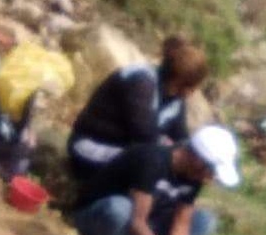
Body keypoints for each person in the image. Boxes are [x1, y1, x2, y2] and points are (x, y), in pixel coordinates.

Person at [66, 125, 240, 235]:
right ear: (197, 159)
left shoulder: (194, 177)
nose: (210, 178)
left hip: (134, 226)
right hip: (97, 218)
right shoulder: (152, 160)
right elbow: (137, 222)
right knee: (120, 208)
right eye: (211, 171)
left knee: (204, 222)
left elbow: (181, 226)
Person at [66, 35, 209, 181]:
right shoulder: (141, 82)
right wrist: (170, 151)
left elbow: (180, 137)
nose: (190, 93)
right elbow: (144, 135)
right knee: (151, 162)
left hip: (128, 151)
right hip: (92, 147)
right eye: (188, 87)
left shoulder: (175, 99)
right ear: (176, 79)